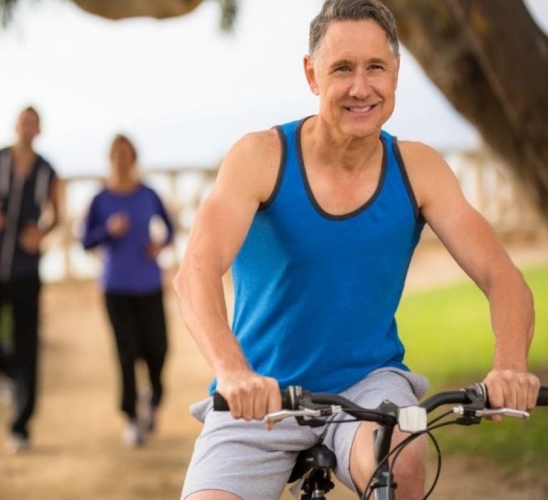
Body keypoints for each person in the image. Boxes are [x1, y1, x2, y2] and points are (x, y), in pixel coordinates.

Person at [173, 0, 541, 498]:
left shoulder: (418, 169)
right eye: (342, 68)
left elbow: (503, 276)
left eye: (376, 68)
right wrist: (233, 371)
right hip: (259, 396)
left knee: (404, 458)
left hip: (369, 389)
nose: (361, 87)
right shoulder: (260, 158)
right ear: (312, 74)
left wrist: (511, 363)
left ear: (395, 74)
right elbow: (196, 270)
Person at [0, 105, 60, 452]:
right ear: (15, 125)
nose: (27, 127)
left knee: (28, 348)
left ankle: (21, 425)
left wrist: (42, 232)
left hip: (25, 272)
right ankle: (13, 375)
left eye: (33, 123)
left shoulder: (48, 170)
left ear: (39, 130)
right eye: (23, 121)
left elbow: (56, 214)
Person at [81, 134, 175, 447]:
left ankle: (153, 397)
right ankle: (132, 418)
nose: (122, 159)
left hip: (148, 284)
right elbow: (86, 242)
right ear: (110, 159)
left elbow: (171, 228)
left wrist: (159, 244)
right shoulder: (100, 199)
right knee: (126, 353)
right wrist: (109, 230)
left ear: (134, 158)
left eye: (127, 153)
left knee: (158, 350)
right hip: (116, 287)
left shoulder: (148, 194)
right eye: (116, 154)